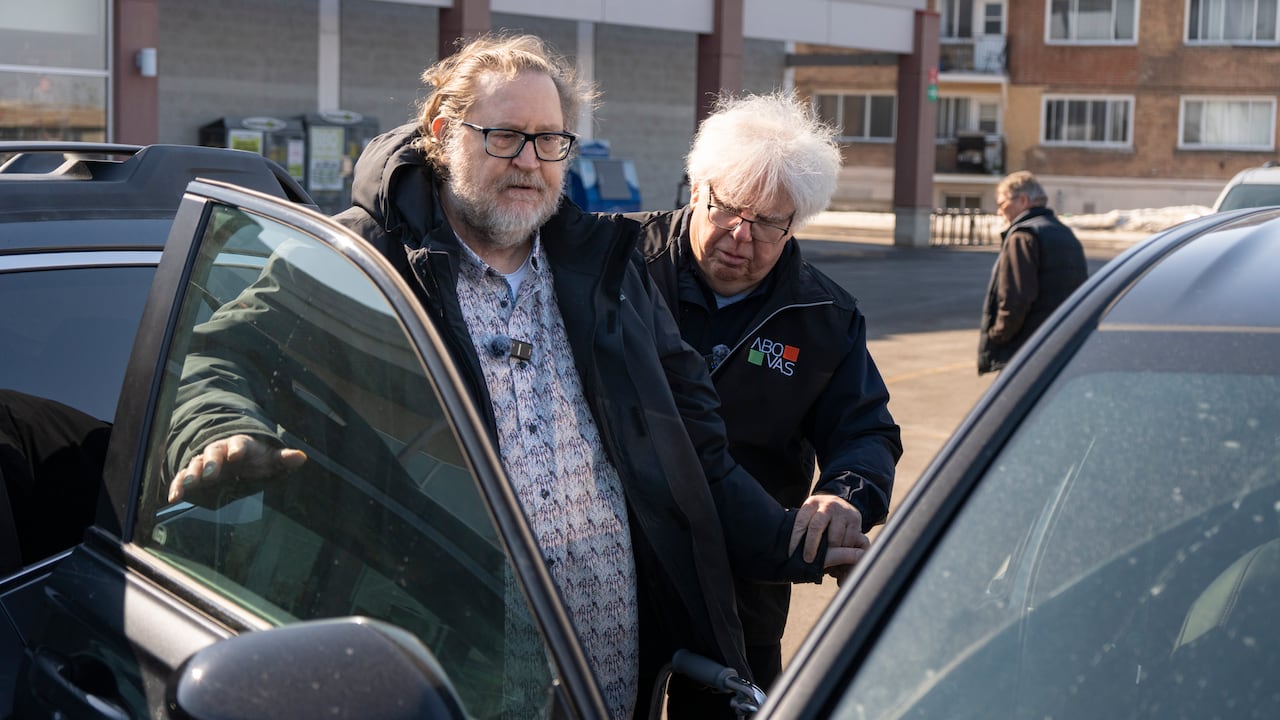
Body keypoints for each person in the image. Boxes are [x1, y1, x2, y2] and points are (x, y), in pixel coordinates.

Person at [165, 33, 868, 719]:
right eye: (505, 136)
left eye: (550, 140)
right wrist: (221, 428)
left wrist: (793, 543)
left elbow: (696, 459)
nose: (531, 162)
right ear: (445, 133)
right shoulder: (363, 259)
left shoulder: (604, 274)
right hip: (441, 660)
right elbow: (224, 351)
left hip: (602, 671)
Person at [632, 92, 902, 703]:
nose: (741, 235)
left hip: (747, 569)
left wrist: (847, 492)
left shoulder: (823, 318)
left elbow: (866, 431)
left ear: (795, 224)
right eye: (727, 208)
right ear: (697, 188)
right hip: (620, 559)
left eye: (769, 223)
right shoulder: (622, 267)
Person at [978, 171, 1088, 375]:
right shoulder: (1064, 233)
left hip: (1025, 349)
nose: (999, 212)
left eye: (1002, 204)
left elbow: (1017, 298)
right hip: (1057, 342)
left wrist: (997, 335)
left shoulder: (1022, 237)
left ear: (1022, 200)